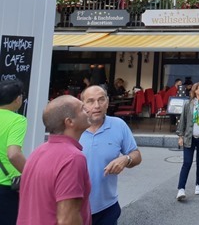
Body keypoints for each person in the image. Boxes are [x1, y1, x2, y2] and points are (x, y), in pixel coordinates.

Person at [17, 95, 92, 225]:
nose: (88, 111)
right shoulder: (73, 158)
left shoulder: (37, 152)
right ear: (69, 122)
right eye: (83, 109)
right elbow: (68, 219)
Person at [80, 85, 142, 225]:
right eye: (90, 101)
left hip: (106, 208)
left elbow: (136, 154)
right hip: (75, 209)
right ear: (82, 104)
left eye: (101, 100)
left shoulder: (118, 125)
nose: (97, 105)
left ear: (107, 102)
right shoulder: (73, 127)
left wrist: (126, 159)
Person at [0, 80, 26, 225]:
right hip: (6, 185)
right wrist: (31, 173)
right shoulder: (17, 120)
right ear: (17, 99)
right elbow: (14, 154)